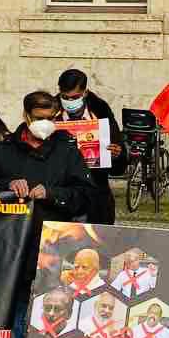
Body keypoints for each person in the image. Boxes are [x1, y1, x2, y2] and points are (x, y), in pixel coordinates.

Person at [0, 90, 96, 338]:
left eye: (52, 118)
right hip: (14, 246)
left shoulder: (67, 150)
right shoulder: (3, 151)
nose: (47, 124)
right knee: (15, 312)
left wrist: (53, 193)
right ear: (26, 116)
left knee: (54, 313)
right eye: (40, 118)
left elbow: (86, 194)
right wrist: (5, 186)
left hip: (55, 245)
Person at [57, 68, 123, 225]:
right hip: (61, 194)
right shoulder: (51, 112)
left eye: (75, 97)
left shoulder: (101, 112)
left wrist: (117, 154)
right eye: (65, 97)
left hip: (95, 194)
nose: (70, 102)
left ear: (85, 93)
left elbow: (118, 159)